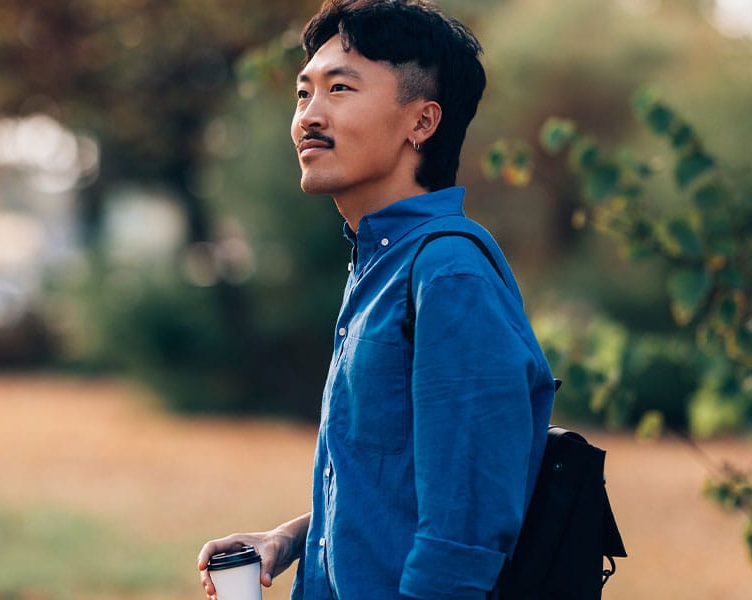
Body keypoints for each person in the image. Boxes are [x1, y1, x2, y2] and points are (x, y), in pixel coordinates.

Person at [197, 1, 555, 598]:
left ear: (422, 122)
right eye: (302, 93)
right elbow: (395, 484)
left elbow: (462, 536)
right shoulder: (381, 263)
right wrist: (287, 540)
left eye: (340, 89)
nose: (310, 115)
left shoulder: (447, 273)